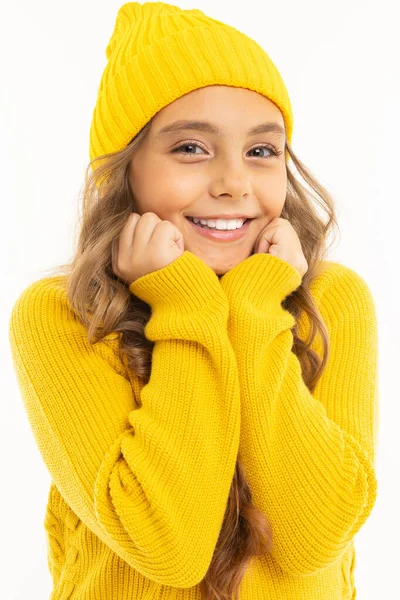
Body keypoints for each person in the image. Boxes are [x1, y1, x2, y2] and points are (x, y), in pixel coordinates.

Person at [8, 2, 379, 599]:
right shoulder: (63, 316)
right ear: (123, 173)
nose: (234, 182)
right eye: (190, 149)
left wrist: (256, 307)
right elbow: (169, 547)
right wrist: (184, 303)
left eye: (262, 152)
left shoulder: (332, 301)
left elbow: (314, 538)